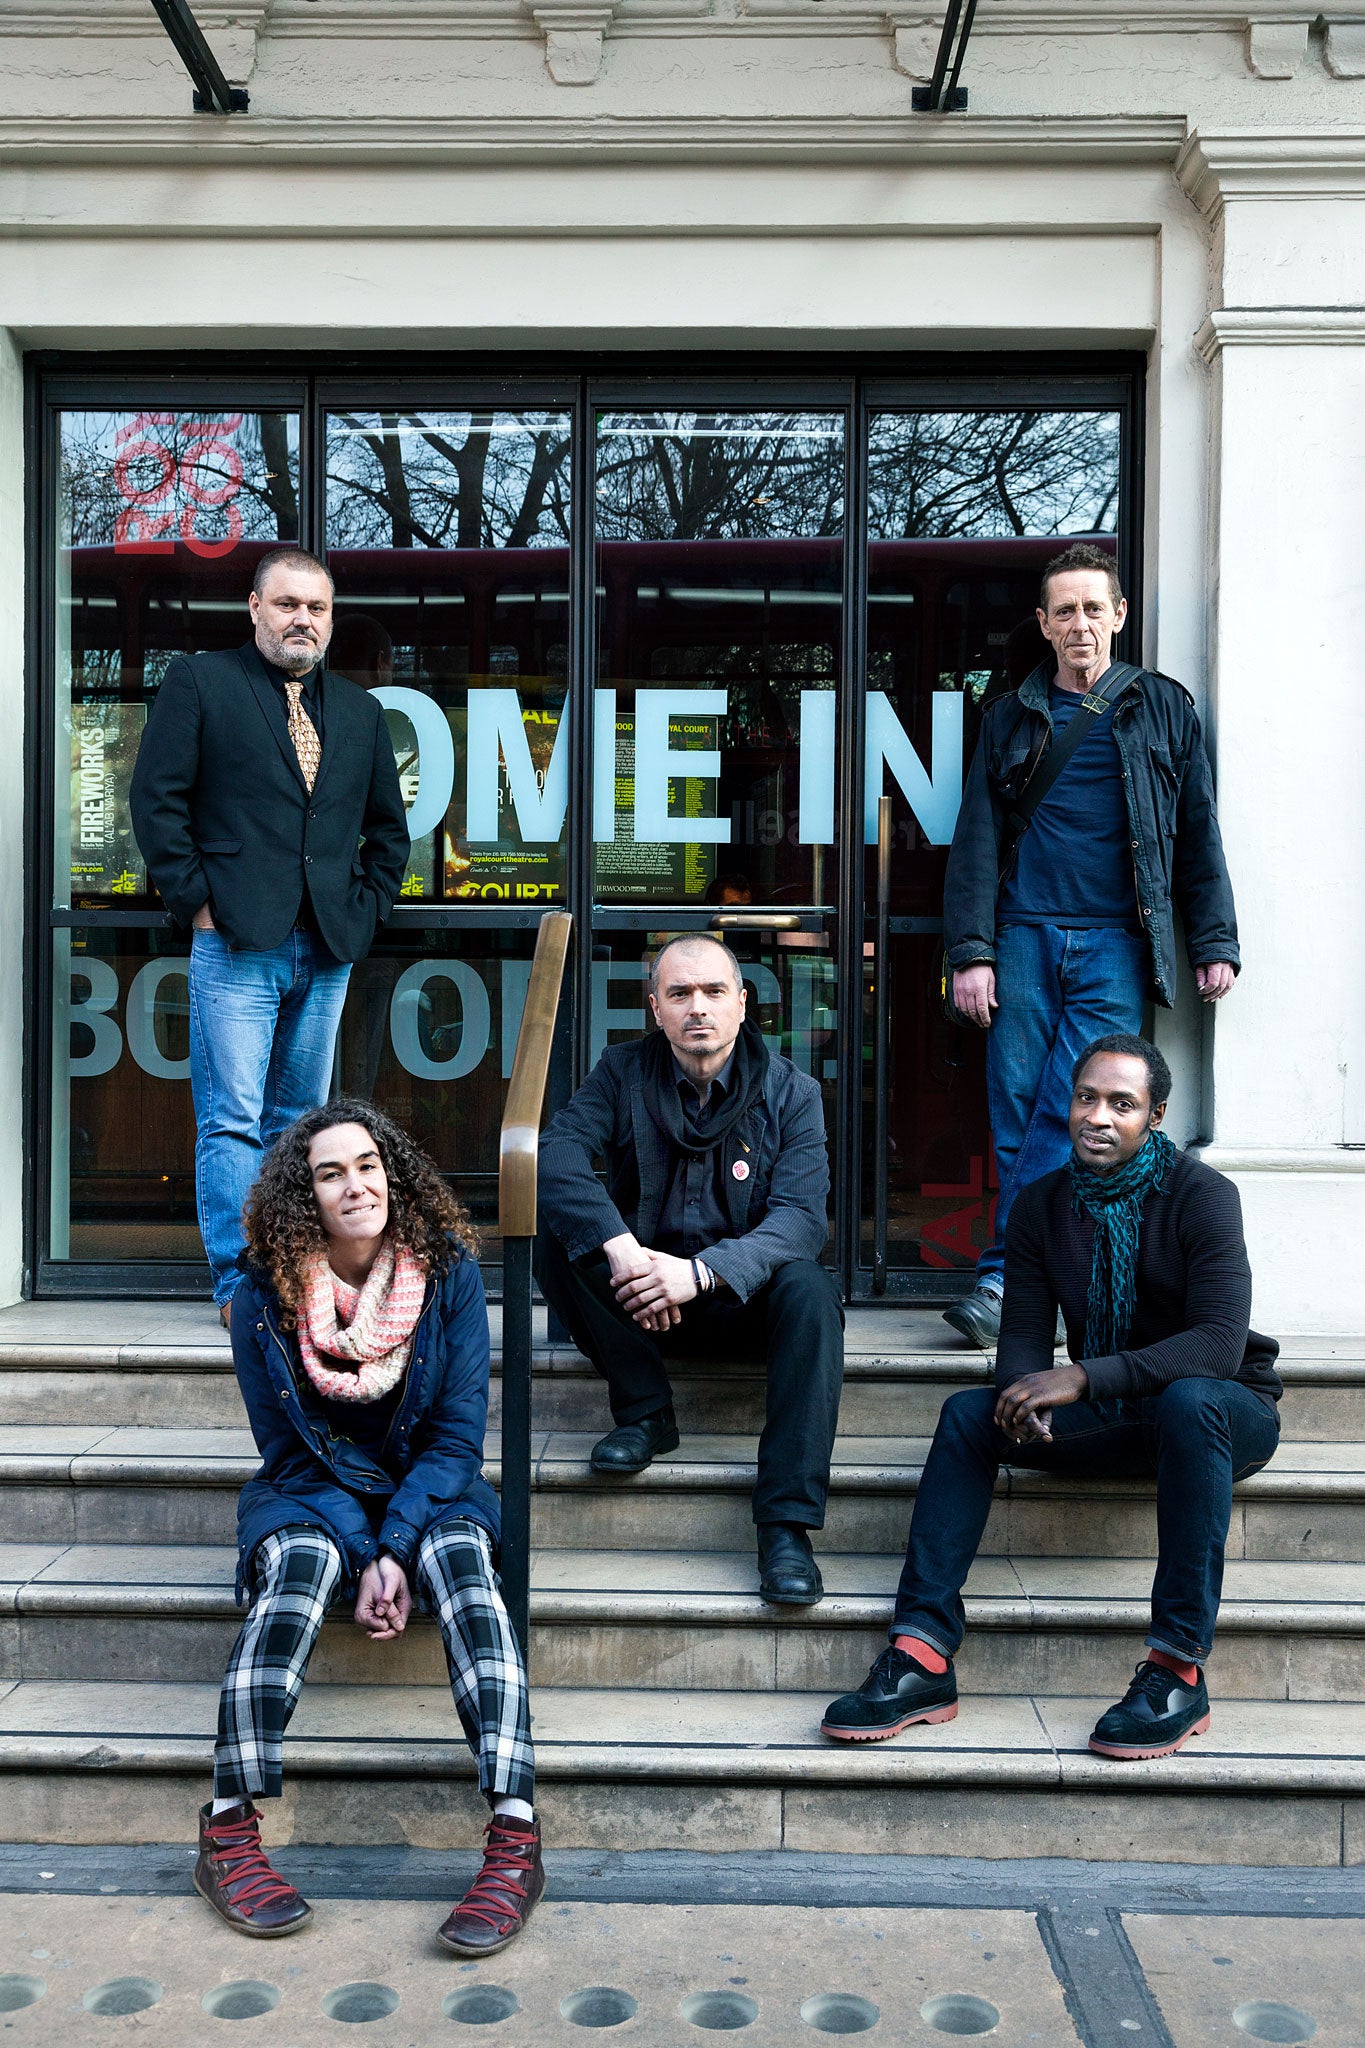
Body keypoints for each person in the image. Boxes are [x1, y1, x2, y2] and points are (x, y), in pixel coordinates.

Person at [822, 1036, 1281, 1760]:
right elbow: (1024, 1349)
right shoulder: (1041, 1205)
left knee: (1190, 1397)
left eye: (1121, 1105)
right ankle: (921, 1656)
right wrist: (1023, 1396)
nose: (1097, 1117)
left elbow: (1218, 1345)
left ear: (1153, 1117)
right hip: (1123, 1418)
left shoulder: (1202, 1196)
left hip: (1223, 1414)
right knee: (968, 1416)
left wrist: (1082, 1377)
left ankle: (1176, 1670)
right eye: (1086, 1098)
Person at [195, 1100, 543, 1955]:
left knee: (464, 1567)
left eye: (366, 1166)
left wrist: (398, 1543)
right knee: (298, 1574)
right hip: (308, 1492)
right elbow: (289, 1452)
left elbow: (458, 1437)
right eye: (329, 1173)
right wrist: (365, 1547)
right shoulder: (258, 1298)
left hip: (434, 1488)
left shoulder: (450, 1276)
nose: (355, 1186)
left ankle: (515, 1835)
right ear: (301, 1197)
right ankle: (228, 1828)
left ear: (393, 1177)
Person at [940, 541, 1240, 1349]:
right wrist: (970, 953)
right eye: (1063, 610)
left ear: (1119, 615)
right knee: (1015, 1115)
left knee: (1060, 1108)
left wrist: (1213, 940)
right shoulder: (1009, 714)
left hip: (1115, 941)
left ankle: (1003, 1277)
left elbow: (1194, 834)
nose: (1080, 623)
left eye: (1092, 608)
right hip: (1022, 937)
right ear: (1043, 624)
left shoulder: (1162, 708)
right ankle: (1033, 1280)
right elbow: (974, 840)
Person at [129, 549, 410, 1325]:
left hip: (325, 945)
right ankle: (239, 1284)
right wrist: (196, 904)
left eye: (316, 609)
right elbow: (156, 803)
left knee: (301, 1123)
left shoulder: (358, 712)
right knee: (230, 1119)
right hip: (235, 943)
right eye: (287, 605)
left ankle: (296, 1274)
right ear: (254, 608)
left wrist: (366, 905)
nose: (302, 621)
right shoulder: (201, 682)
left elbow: (388, 831)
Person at [535, 934, 844, 1607]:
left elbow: (799, 1219)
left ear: (741, 1003)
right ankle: (646, 1413)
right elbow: (555, 1154)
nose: (696, 1007)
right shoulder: (619, 1072)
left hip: (739, 1303)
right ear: (655, 1008)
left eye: (711, 992)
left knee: (811, 1290)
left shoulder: (793, 1093)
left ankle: (785, 1526)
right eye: (679, 994)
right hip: (639, 1301)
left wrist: (700, 1274)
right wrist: (623, 1252)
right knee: (555, 1237)